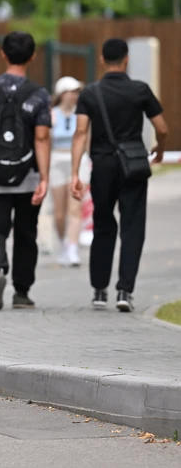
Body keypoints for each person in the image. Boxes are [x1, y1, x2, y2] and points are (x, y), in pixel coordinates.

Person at [71, 38, 169, 313]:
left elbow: (80, 133)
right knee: (132, 226)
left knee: (103, 225)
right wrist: (160, 151)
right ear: (127, 59)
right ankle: (125, 290)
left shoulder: (90, 93)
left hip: (102, 166)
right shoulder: (140, 90)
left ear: (102, 59)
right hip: (133, 166)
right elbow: (162, 128)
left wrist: (75, 172)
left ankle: (99, 291)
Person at [0, 31, 52, 311]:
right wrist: (44, 177)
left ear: (3, 54)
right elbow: (42, 137)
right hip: (28, 176)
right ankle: (22, 293)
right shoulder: (39, 94)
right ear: (32, 57)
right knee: (27, 233)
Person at [49, 76, 86, 267]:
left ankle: (72, 247)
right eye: (71, 92)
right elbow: (45, 141)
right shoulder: (52, 114)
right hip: (57, 160)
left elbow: (86, 138)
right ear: (62, 94)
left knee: (75, 207)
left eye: (76, 92)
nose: (74, 96)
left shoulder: (82, 113)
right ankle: (63, 242)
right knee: (59, 212)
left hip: (77, 160)